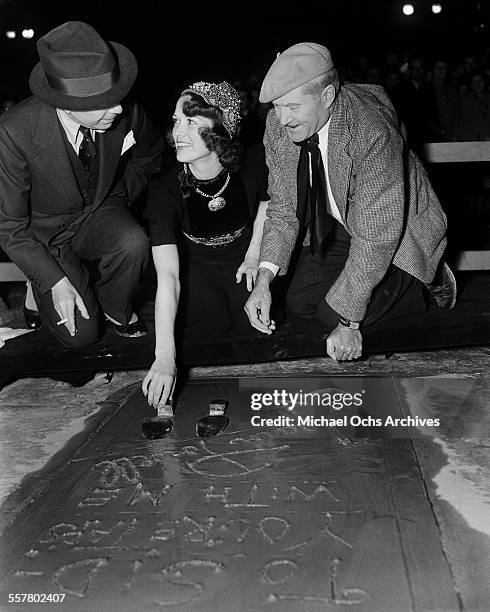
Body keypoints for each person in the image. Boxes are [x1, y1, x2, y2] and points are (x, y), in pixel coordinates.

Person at [245, 42, 456, 362]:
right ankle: (368, 289)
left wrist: (349, 322)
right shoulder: (277, 126)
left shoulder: (369, 127)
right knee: (300, 301)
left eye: (292, 107)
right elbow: (284, 206)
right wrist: (264, 279)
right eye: (276, 106)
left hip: (397, 233)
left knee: (334, 315)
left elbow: (377, 234)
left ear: (327, 96)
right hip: (342, 223)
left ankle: (425, 279)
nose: (282, 119)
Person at [0, 21, 165, 347]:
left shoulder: (125, 112)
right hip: (46, 235)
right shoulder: (13, 131)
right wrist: (54, 281)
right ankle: (39, 289)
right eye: (104, 102)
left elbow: (152, 156)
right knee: (82, 338)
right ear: (66, 103)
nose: (118, 108)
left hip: (100, 212)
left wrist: (116, 196)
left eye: (116, 95)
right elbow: (9, 226)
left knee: (132, 241)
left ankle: (117, 310)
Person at [142, 81, 270, 408]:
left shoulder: (253, 162)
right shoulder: (164, 188)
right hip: (194, 263)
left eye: (192, 123)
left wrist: (256, 255)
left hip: (243, 258)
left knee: (257, 327)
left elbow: (270, 204)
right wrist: (164, 357)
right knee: (200, 325)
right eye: (175, 120)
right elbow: (168, 277)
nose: (178, 132)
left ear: (220, 131)